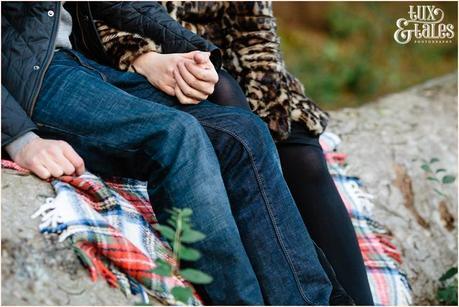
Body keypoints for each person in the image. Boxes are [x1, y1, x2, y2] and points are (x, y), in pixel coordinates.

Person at [1, 1, 348, 305]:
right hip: (31, 80)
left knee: (244, 134)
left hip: (73, 60)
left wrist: (189, 51)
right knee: (177, 135)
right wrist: (20, 137)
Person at [94, 1, 374, 305]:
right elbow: (93, 17)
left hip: (226, 66)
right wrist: (141, 56)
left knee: (306, 159)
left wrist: (266, 100)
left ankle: (356, 301)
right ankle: (325, 296)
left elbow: (255, 33)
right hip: (149, 67)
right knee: (227, 101)